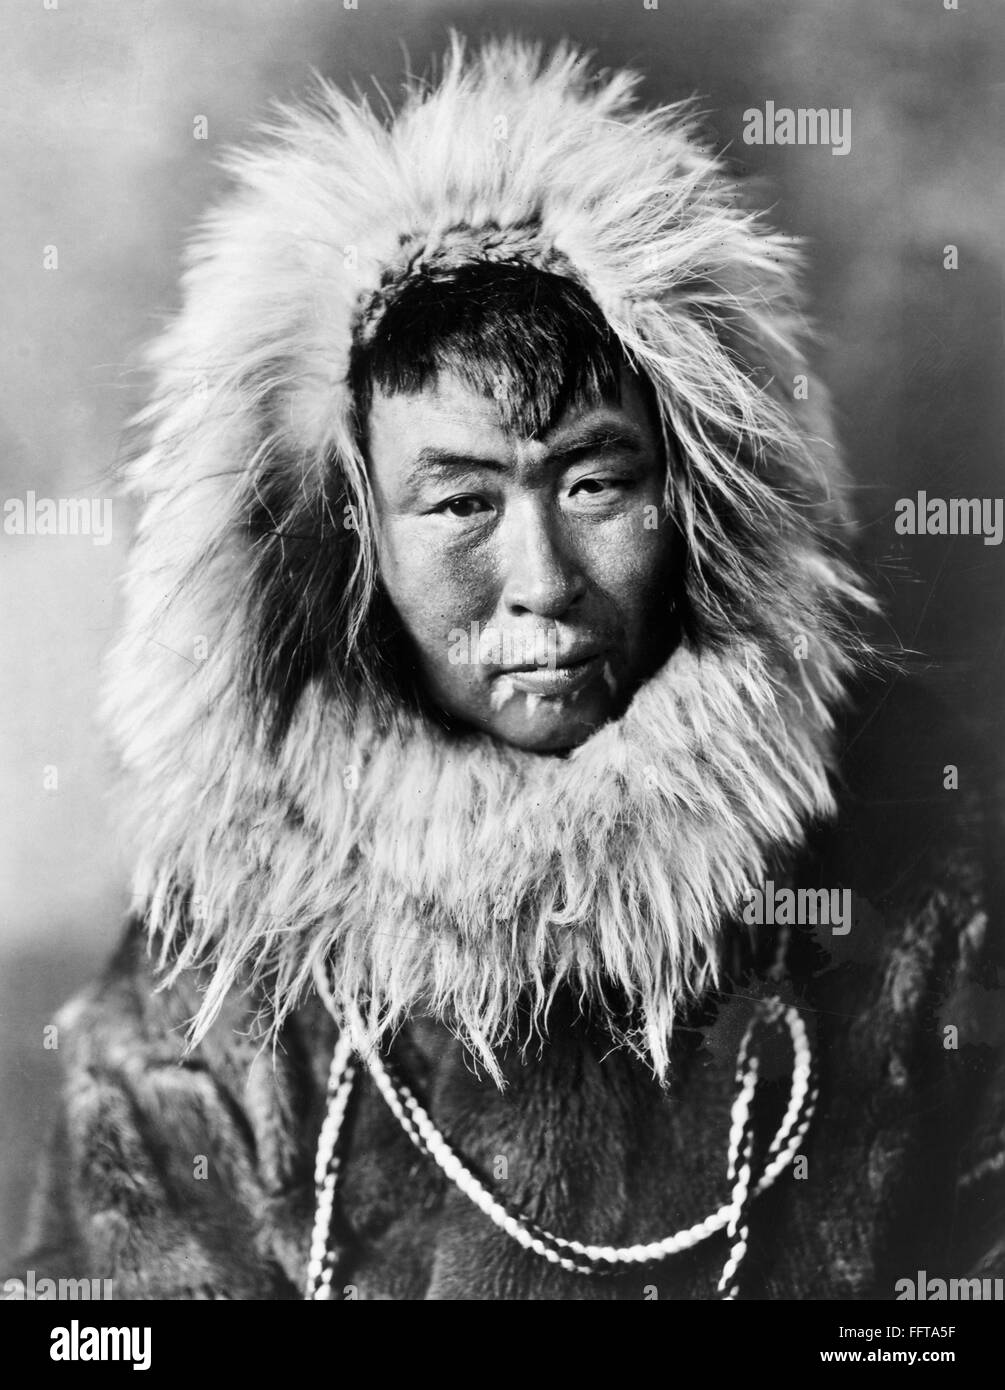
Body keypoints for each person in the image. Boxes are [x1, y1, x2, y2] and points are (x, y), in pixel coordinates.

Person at [17, 37, 1002, 1300]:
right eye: (461, 503)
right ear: (350, 537)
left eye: (596, 483)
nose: (542, 577)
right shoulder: (226, 965)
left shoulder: (919, 851)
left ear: (696, 502)